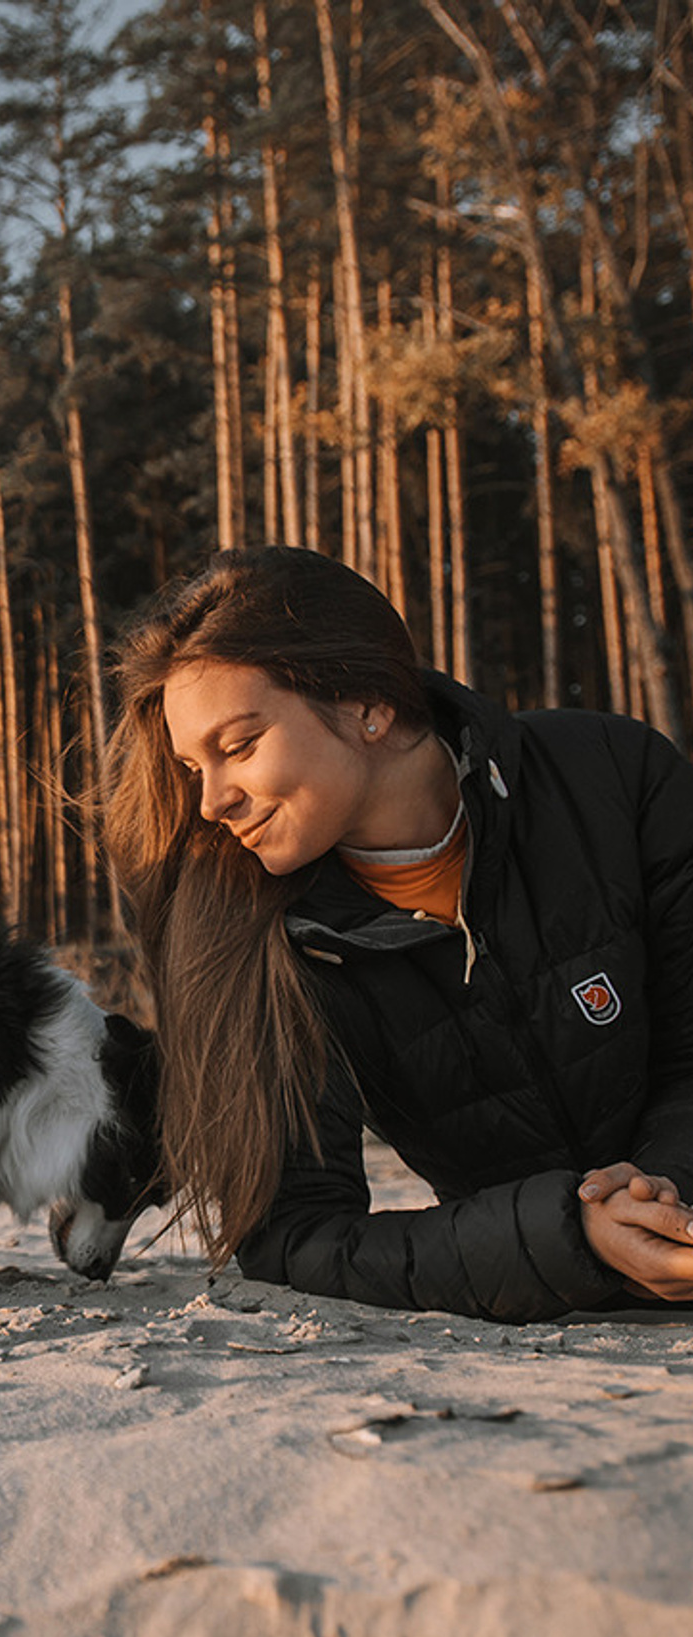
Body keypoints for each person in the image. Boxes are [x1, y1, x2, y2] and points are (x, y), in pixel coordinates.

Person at [102, 544, 693, 1323]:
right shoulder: (259, 938)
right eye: (192, 766)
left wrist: (665, 1198)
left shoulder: (613, 776)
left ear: (368, 705)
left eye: (239, 746)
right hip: (539, 1292)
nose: (211, 801)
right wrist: (570, 1238)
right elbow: (295, 1236)